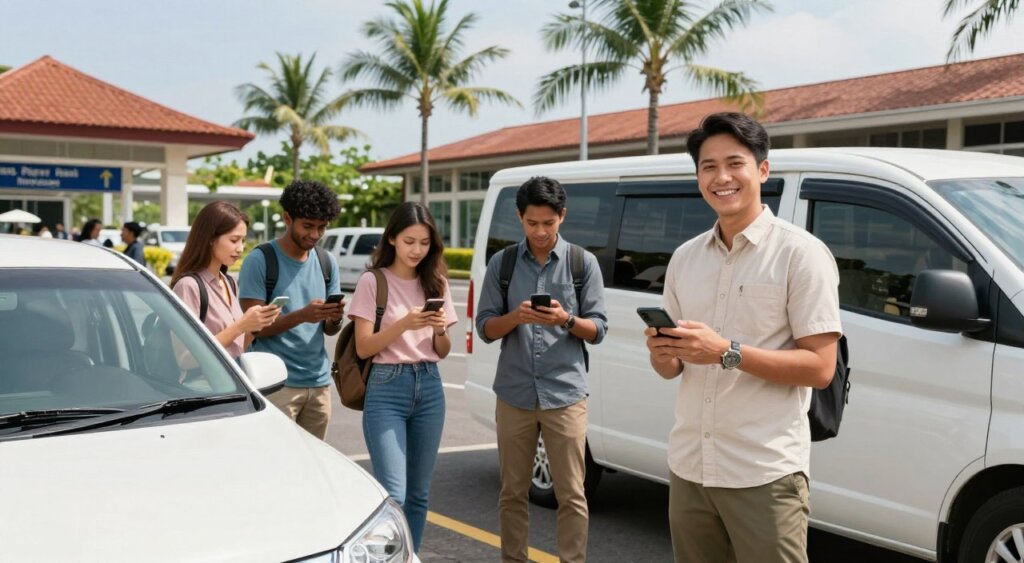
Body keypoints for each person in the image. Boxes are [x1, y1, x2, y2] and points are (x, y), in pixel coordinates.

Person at [644, 112, 842, 563]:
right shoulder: (684, 258)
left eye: (735, 163)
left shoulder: (801, 254)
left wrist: (725, 352)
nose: (722, 177)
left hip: (764, 473)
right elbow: (672, 368)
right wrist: (662, 352)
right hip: (690, 468)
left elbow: (820, 368)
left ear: (763, 169)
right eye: (708, 166)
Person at [475, 176, 608, 563]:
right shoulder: (503, 264)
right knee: (512, 492)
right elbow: (485, 328)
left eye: (548, 223)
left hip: (565, 395)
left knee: (572, 494)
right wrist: (515, 316)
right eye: (532, 223)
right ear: (520, 217)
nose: (540, 231)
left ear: (562, 216)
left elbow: (598, 330)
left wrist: (565, 319)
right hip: (514, 393)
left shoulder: (584, 263)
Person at [348, 202, 457, 553]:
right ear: (392, 238)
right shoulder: (372, 281)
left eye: (424, 243)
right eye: (409, 241)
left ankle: (411, 557)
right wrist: (403, 325)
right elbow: (364, 348)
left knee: (419, 494)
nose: (417, 250)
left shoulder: (436, 281)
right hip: (386, 386)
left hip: (429, 385)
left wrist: (439, 329)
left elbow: (442, 350)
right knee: (393, 495)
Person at [239, 180, 344, 440]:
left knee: (313, 466)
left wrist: (333, 319)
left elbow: (330, 331)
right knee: (275, 464)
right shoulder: (260, 260)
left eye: (321, 227)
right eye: (307, 226)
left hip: (319, 385)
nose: (315, 234)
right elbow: (255, 328)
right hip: (276, 385)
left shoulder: (326, 262)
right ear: (287, 218)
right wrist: (301, 316)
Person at [171, 202, 279, 359]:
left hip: (233, 380)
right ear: (210, 239)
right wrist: (240, 326)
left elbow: (236, 348)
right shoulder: (189, 286)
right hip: (203, 383)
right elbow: (185, 358)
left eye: (243, 241)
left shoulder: (229, 282)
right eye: (234, 240)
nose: (241, 248)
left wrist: (256, 326)